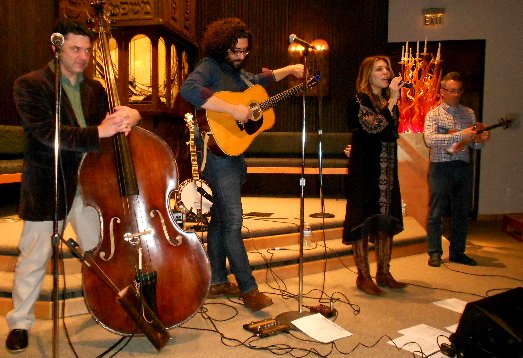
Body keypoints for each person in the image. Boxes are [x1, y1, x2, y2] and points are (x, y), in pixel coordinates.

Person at [5, 19, 141, 353]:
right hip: (49, 186)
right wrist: (99, 132)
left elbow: (117, 120)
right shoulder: (31, 85)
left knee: (100, 256)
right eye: (74, 49)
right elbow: (48, 135)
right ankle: (20, 323)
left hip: (92, 190)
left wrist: (133, 116)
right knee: (33, 258)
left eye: (87, 50)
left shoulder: (95, 89)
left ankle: (109, 310)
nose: (82, 56)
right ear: (57, 47)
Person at [180, 18, 304, 310]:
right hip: (216, 155)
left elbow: (261, 81)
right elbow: (188, 89)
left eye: (245, 51)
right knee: (234, 220)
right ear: (222, 47)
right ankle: (248, 287)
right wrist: (232, 108)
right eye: (236, 51)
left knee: (222, 218)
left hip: (234, 152)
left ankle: (218, 280)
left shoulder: (238, 73)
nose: (241, 56)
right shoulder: (210, 66)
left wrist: (289, 70)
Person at [342, 55, 408, 296]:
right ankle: (364, 275)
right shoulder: (357, 99)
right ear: (367, 74)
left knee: (385, 220)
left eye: (387, 69)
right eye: (379, 69)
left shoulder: (390, 101)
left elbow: (391, 131)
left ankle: (384, 272)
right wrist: (391, 101)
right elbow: (374, 127)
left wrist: (391, 102)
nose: (386, 73)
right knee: (363, 219)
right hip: (365, 169)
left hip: (387, 168)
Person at [424, 72, 489, 267]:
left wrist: (480, 140)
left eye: (459, 90)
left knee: (462, 212)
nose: (456, 94)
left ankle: (458, 252)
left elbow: (474, 145)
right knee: (436, 211)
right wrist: (460, 134)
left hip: (463, 166)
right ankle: (434, 252)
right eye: (452, 91)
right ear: (442, 91)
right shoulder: (433, 114)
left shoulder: (468, 113)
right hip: (440, 167)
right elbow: (430, 140)